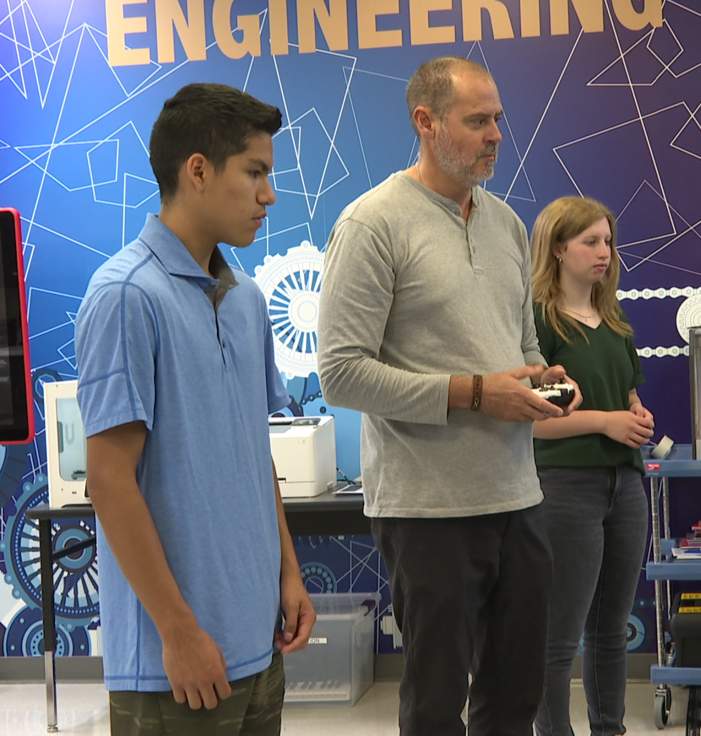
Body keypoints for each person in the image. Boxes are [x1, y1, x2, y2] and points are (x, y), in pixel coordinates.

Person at [317, 56, 580, 736]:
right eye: (478, 121)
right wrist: (472, 394)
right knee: (436, 709)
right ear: (426, 123)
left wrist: (543, 380)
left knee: (516, 700)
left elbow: (520, 346)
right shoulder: (372, 224)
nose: (496, 134)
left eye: (498, 119)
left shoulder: (507, 225)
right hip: (427, 509)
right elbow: (341, 374)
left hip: (518, 498)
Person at [76, 82, 315, 736]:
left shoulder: (247, 300)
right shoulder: (126, 296)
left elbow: (251, 455)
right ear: (199, 171)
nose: (269, 194)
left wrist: (287, 574)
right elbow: (109, 481)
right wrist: (179, 631)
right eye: (256, 173)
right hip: (173, 664)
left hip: (257, 644)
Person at [528, 197, 653, 736]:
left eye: (608, 242)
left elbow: (625, 397)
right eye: (591, 242)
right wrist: (604, 422)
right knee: (557, 638)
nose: (604, 253)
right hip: (564, 487)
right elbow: (530, 423)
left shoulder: (616, 324)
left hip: (625, 486)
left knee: (609, 632)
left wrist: (634, 415)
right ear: (558, 247)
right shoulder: (538, 324)